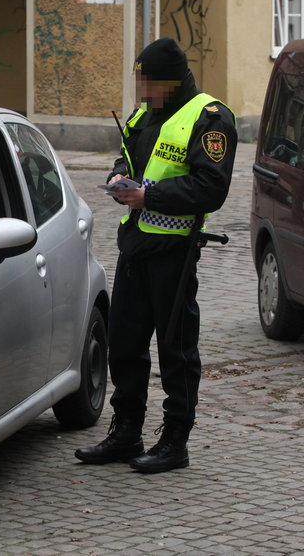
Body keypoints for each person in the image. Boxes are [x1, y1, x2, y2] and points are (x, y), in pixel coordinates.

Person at [75, 37, 237, 473]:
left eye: (149, 82)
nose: (142, 91)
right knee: (124, 345)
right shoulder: (145, 114)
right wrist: (119, 179)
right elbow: (124, 159)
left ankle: (174, 441)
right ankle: (126, 433)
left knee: (176, 349)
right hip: (135, 247)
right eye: (139, 80)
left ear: (171, 80)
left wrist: (149, 195)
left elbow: (211, 188)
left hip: (175, 253)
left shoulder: (210, 118)